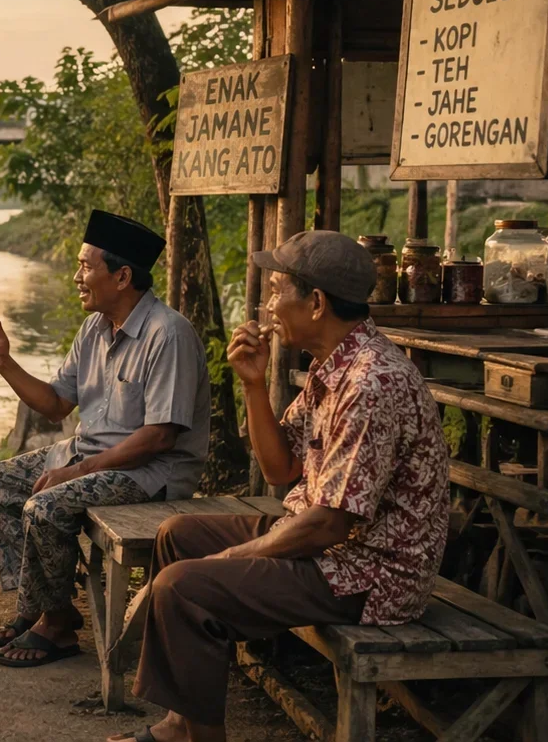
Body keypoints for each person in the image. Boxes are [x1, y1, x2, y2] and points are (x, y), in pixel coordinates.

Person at [110, 231, 449, 742]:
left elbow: (330, 524)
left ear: (315, 303)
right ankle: (182, 724)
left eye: (275, 290)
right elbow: (281, 470)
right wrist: (252, 383)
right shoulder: (332, 364)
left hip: (371, 574)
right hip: (329, 545)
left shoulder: (370, 382)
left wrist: (236, 557)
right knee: (177, 535)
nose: (266, 305)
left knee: (185, 587)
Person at [0, 210, 208, 667]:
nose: (77, 276)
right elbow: (58, 403)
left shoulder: (167, 333)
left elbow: (159, 437)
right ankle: (46, 607)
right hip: (91, 457)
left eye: (85, 266)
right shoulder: (94, 327)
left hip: (150, 474)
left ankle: (57, 628)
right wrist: (5, 364)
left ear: (121, 276)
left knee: (46, 505)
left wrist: (75, 471)